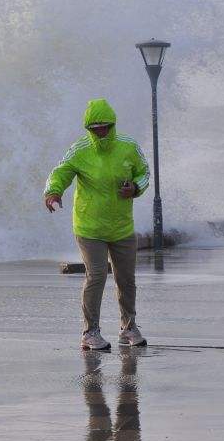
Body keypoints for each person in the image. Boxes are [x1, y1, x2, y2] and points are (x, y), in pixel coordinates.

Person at [44, 98, 151, 351]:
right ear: (88, 128)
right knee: (97, 276)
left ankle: (129, 327)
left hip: (121, 226)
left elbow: (144, 171)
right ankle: (90, 332)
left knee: (126, 279)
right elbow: (61, 171)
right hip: (89, 227)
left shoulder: (128, 146)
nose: (100, 131)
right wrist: (53, 192)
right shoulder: (79, 149)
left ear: (112, 125)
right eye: (95, 128)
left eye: (104, 126)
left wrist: (135, 187)